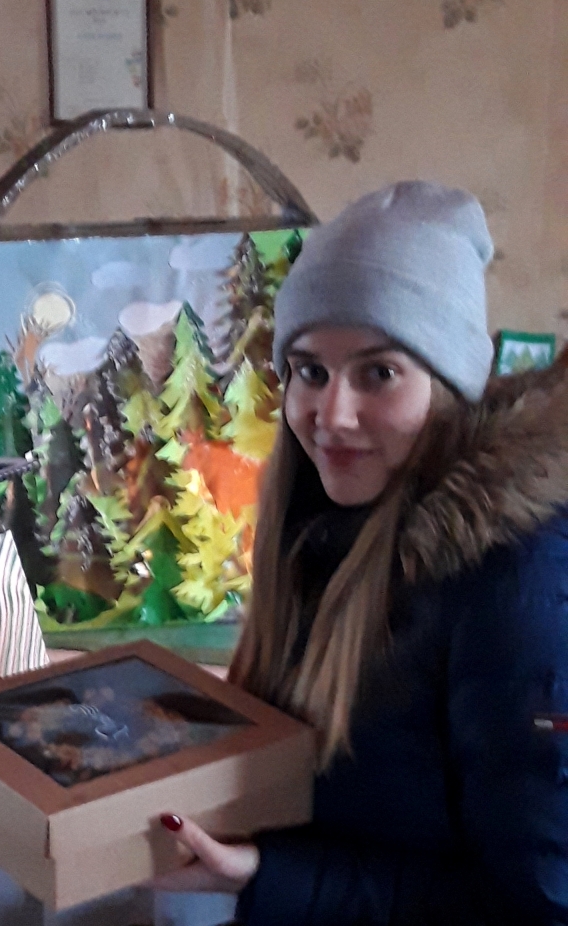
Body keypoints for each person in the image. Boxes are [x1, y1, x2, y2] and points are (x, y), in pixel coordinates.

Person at [157, 181, 568, 924]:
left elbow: (534, 904)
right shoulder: (323, 527)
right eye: (310, 371)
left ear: (449, 383)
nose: (333, 415)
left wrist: (271, 876)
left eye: (379, 373)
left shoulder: (513, 581)